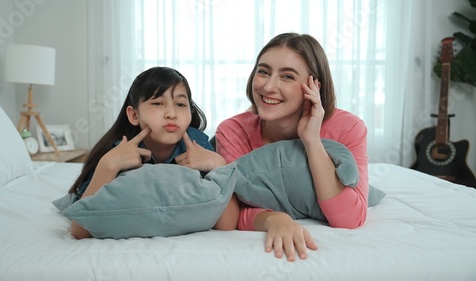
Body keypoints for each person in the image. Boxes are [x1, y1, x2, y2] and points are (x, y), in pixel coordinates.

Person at [214, 33, 369, 262]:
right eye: (263, 71)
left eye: (287, 76)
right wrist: (274, 219)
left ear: (313, 86)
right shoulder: (232, 131)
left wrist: (312, 141)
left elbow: (350, 219)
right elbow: (232, 213)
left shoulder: (349, 128)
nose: (268, 86)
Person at [68, 66, 226, 239]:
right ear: (134, 115)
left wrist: (220, 165)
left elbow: (226, 225)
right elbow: (79, 231)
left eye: (181, 104)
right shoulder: (117, 151)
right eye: (158, 103)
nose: (171, 114)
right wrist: (108, 165)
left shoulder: (198, 144)